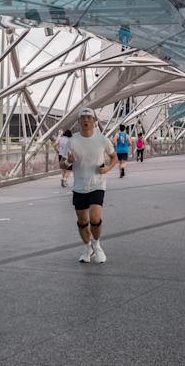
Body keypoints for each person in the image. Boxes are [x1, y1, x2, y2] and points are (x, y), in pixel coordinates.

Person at [62, 108, 118, 264]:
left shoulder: (102, 140)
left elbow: (114, 157)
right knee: (82, 221)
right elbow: (62, 164)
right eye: (83, 118)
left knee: (95, 217)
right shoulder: (72, 141)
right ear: (79, 121)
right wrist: (68, 161)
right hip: (79, 186)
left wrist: (107, 168)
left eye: (89, 117)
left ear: (94, 121)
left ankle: (97, 245)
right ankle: (88, 248)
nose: (86, 120)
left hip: (97, 184)